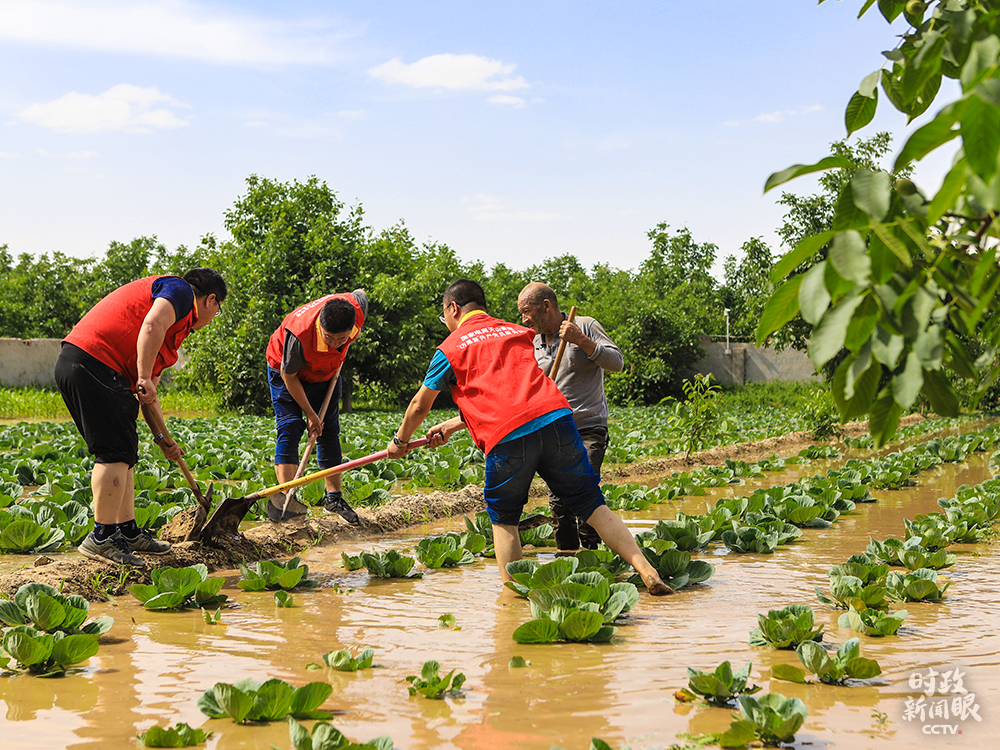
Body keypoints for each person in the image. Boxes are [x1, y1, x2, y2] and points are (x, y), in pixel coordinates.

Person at [386, 279, 672, 595]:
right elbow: (514, 391)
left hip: (507, 435)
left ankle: (513, 599)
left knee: (505, 519)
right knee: (592, 504)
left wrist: (399, 442)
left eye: (445, 316)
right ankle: (648, 571)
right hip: (556, 419)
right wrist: (455, 424)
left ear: (453, 308)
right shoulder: (515, 332)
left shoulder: (450, 348)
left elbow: (419, 405)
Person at [55, 268, 228, 568]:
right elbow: (152, 324)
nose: (214, 317)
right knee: (113, 452)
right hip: (93, 361)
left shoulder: (173, 334)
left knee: (125, 452)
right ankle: (102, 537)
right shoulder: (180, 291)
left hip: (89, 365)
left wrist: (164, 440)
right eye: (218, 309)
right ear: (211, 300)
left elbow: (148, 399)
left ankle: (127, 530)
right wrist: (144, 376)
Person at [517, 282, 623, 552]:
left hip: (588, 428)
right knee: (559, 505)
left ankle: (592, 558)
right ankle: (566, 561)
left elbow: (617, 363)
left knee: (585, 496)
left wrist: (581, 341)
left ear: (546, 306)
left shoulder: (585, 325)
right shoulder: (533, 342)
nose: (524, 319)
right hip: (553, 430)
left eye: (527, 312)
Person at [265, 290, 368, 523]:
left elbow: (360, 294)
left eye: (342, 339)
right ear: (320, 325)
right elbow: (289, 376)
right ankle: (286, 500)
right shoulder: (299, 335)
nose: (336, 344)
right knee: (290, 426)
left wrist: (343, 344)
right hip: (286, 372)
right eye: (329, 338)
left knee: (329, 430)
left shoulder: (356, 311)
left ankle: (334, 499)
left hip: (325, 373)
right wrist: (311, 414)